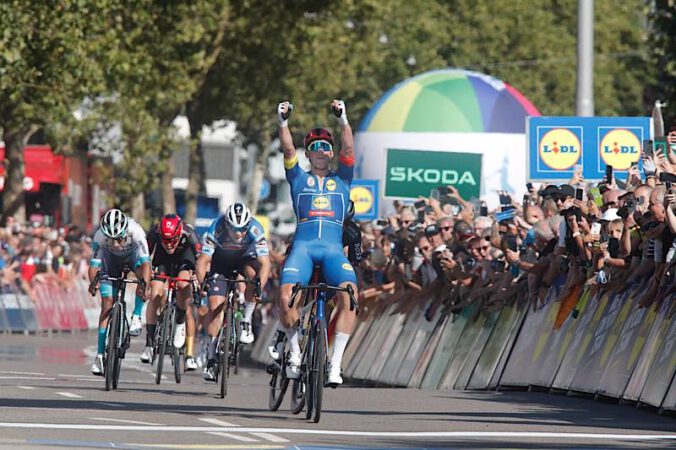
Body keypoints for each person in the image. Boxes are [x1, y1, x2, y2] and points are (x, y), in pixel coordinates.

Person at [277, 99, 358, 386]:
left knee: (350, 295)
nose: (321, 151)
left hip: (333, 251)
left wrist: (343, 119)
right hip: (303, 249)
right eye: (315, 147)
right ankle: (296, 352)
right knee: (287, 297)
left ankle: (335, 365)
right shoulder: (297, 177)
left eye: (326, 146)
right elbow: (288, 149)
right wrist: (283, 122)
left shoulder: (343, 180)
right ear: (308, 154)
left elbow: (349, 148)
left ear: (331, 152)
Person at [195, 202, 271, 382]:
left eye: (242, 229)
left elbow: (266, 264)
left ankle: (246, 320)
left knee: (254, 277)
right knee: (214, 306)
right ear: (227, 224)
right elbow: (203, 261)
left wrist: (259, 286)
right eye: (234, 229)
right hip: (221, 263)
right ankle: (212, 357)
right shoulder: (216, 228)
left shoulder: (255, 229)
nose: (238, 233)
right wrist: (203, 283)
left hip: (245, 258)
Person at [88, 209, 151, 375]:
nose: (116, 244)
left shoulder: (136, 231)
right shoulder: (99, 236)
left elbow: (146, 263)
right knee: (107, 304)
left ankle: (137, 316)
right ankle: (100, 356)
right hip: (110, 262)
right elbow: (94, 265)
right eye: (111, 240)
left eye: (119, 239)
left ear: (125, 232)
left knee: (142, 279)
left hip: (133, 258)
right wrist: (93, 283)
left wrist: (145, 284)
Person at [141, 214, 201, 371]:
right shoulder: (154, 233)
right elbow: (144, 256)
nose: (169, 245)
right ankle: (149, 345)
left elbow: (201, 259)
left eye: (173, 240)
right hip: (163, 261)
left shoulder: (190, 234)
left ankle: (188, 351)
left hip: (185, 260)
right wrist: (145, 279)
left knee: (182, 286)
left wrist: (198, 277)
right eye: (165, 240)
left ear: (180, 233)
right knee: (155, 293)